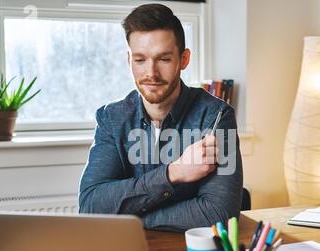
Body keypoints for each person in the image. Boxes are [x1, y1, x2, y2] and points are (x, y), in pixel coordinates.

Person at [78, 3, 243, 232]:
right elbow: (90, 206)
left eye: (163, 59)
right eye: (140, 60)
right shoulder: (110, 118)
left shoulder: (217, 117)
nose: (151, 73)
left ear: (183, 60)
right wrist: (174, 172)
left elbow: (219, 214)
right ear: (129, 61)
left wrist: (132, 219)